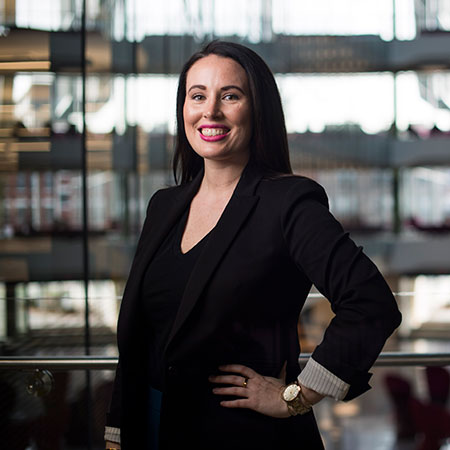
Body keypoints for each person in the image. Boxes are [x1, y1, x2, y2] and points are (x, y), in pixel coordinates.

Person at [104, 40, 402, 450]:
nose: (210, 111)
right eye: (197, 96)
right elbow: (140, 335)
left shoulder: (288, 203)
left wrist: (295, 397)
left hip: (243, 436)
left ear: (256, 109)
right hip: (151, 426)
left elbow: (370, 302)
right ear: (184, 110)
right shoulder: (164, 206)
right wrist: (118, 431)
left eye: (230, 95)